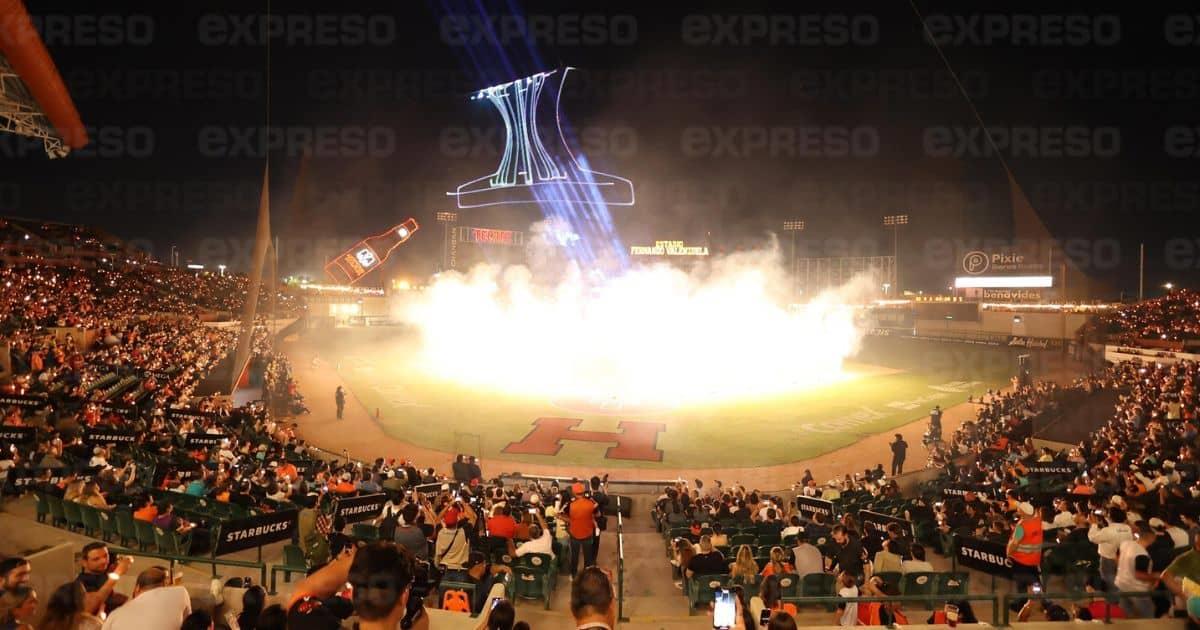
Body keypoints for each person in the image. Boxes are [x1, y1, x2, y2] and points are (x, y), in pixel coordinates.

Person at [100, 566, 191, 630]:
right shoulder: (180, 592)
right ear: (165, 585)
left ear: (138, 587)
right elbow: (188, 623)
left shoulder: (115, 615)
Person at [1114, 526, 1158, 617]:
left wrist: (1123, 569)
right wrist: (1157, 576)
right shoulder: (1142, 554)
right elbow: (1139, 575)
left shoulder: (1125, 544)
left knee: (1126, 615)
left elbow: (1116, 558)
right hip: (1137, 590)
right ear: (1151, 538)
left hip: (1121, 584)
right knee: (1148, 615)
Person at [76, 543, 131, 616]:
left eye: (106, 556)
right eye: (96, 559)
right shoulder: (81, 584)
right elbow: (92, 605)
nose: (104, 561)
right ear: (84, 563)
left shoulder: (100, 571)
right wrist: (118, 572)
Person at [1006, 502, 1043, 610]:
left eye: (1020, 510)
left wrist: (1009, 552)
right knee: (1035, 582)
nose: (1018, 511)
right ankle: (1043, 602)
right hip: (1034, 558)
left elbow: (1015, 543)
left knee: (1021, 583)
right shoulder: (1038, 521)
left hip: (1020, 559)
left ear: (1023, 512)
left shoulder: (1021, 526)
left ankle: (1020, 605)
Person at [34, 582, 102, 630]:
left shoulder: (46, 624)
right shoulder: (90, 624)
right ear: (79, 600)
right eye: (84, 594)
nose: (87, 596)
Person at [564, 487, 598, 576]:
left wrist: (559, 517)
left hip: (574, 534)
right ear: (583, 492)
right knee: (588, 557)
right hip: (588, 534)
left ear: (574, 493)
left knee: (574, 556)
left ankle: (573, 574)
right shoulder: (590, 503)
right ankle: (586, 576)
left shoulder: (570, 504)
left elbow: (567, 517)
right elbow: (598, 514)